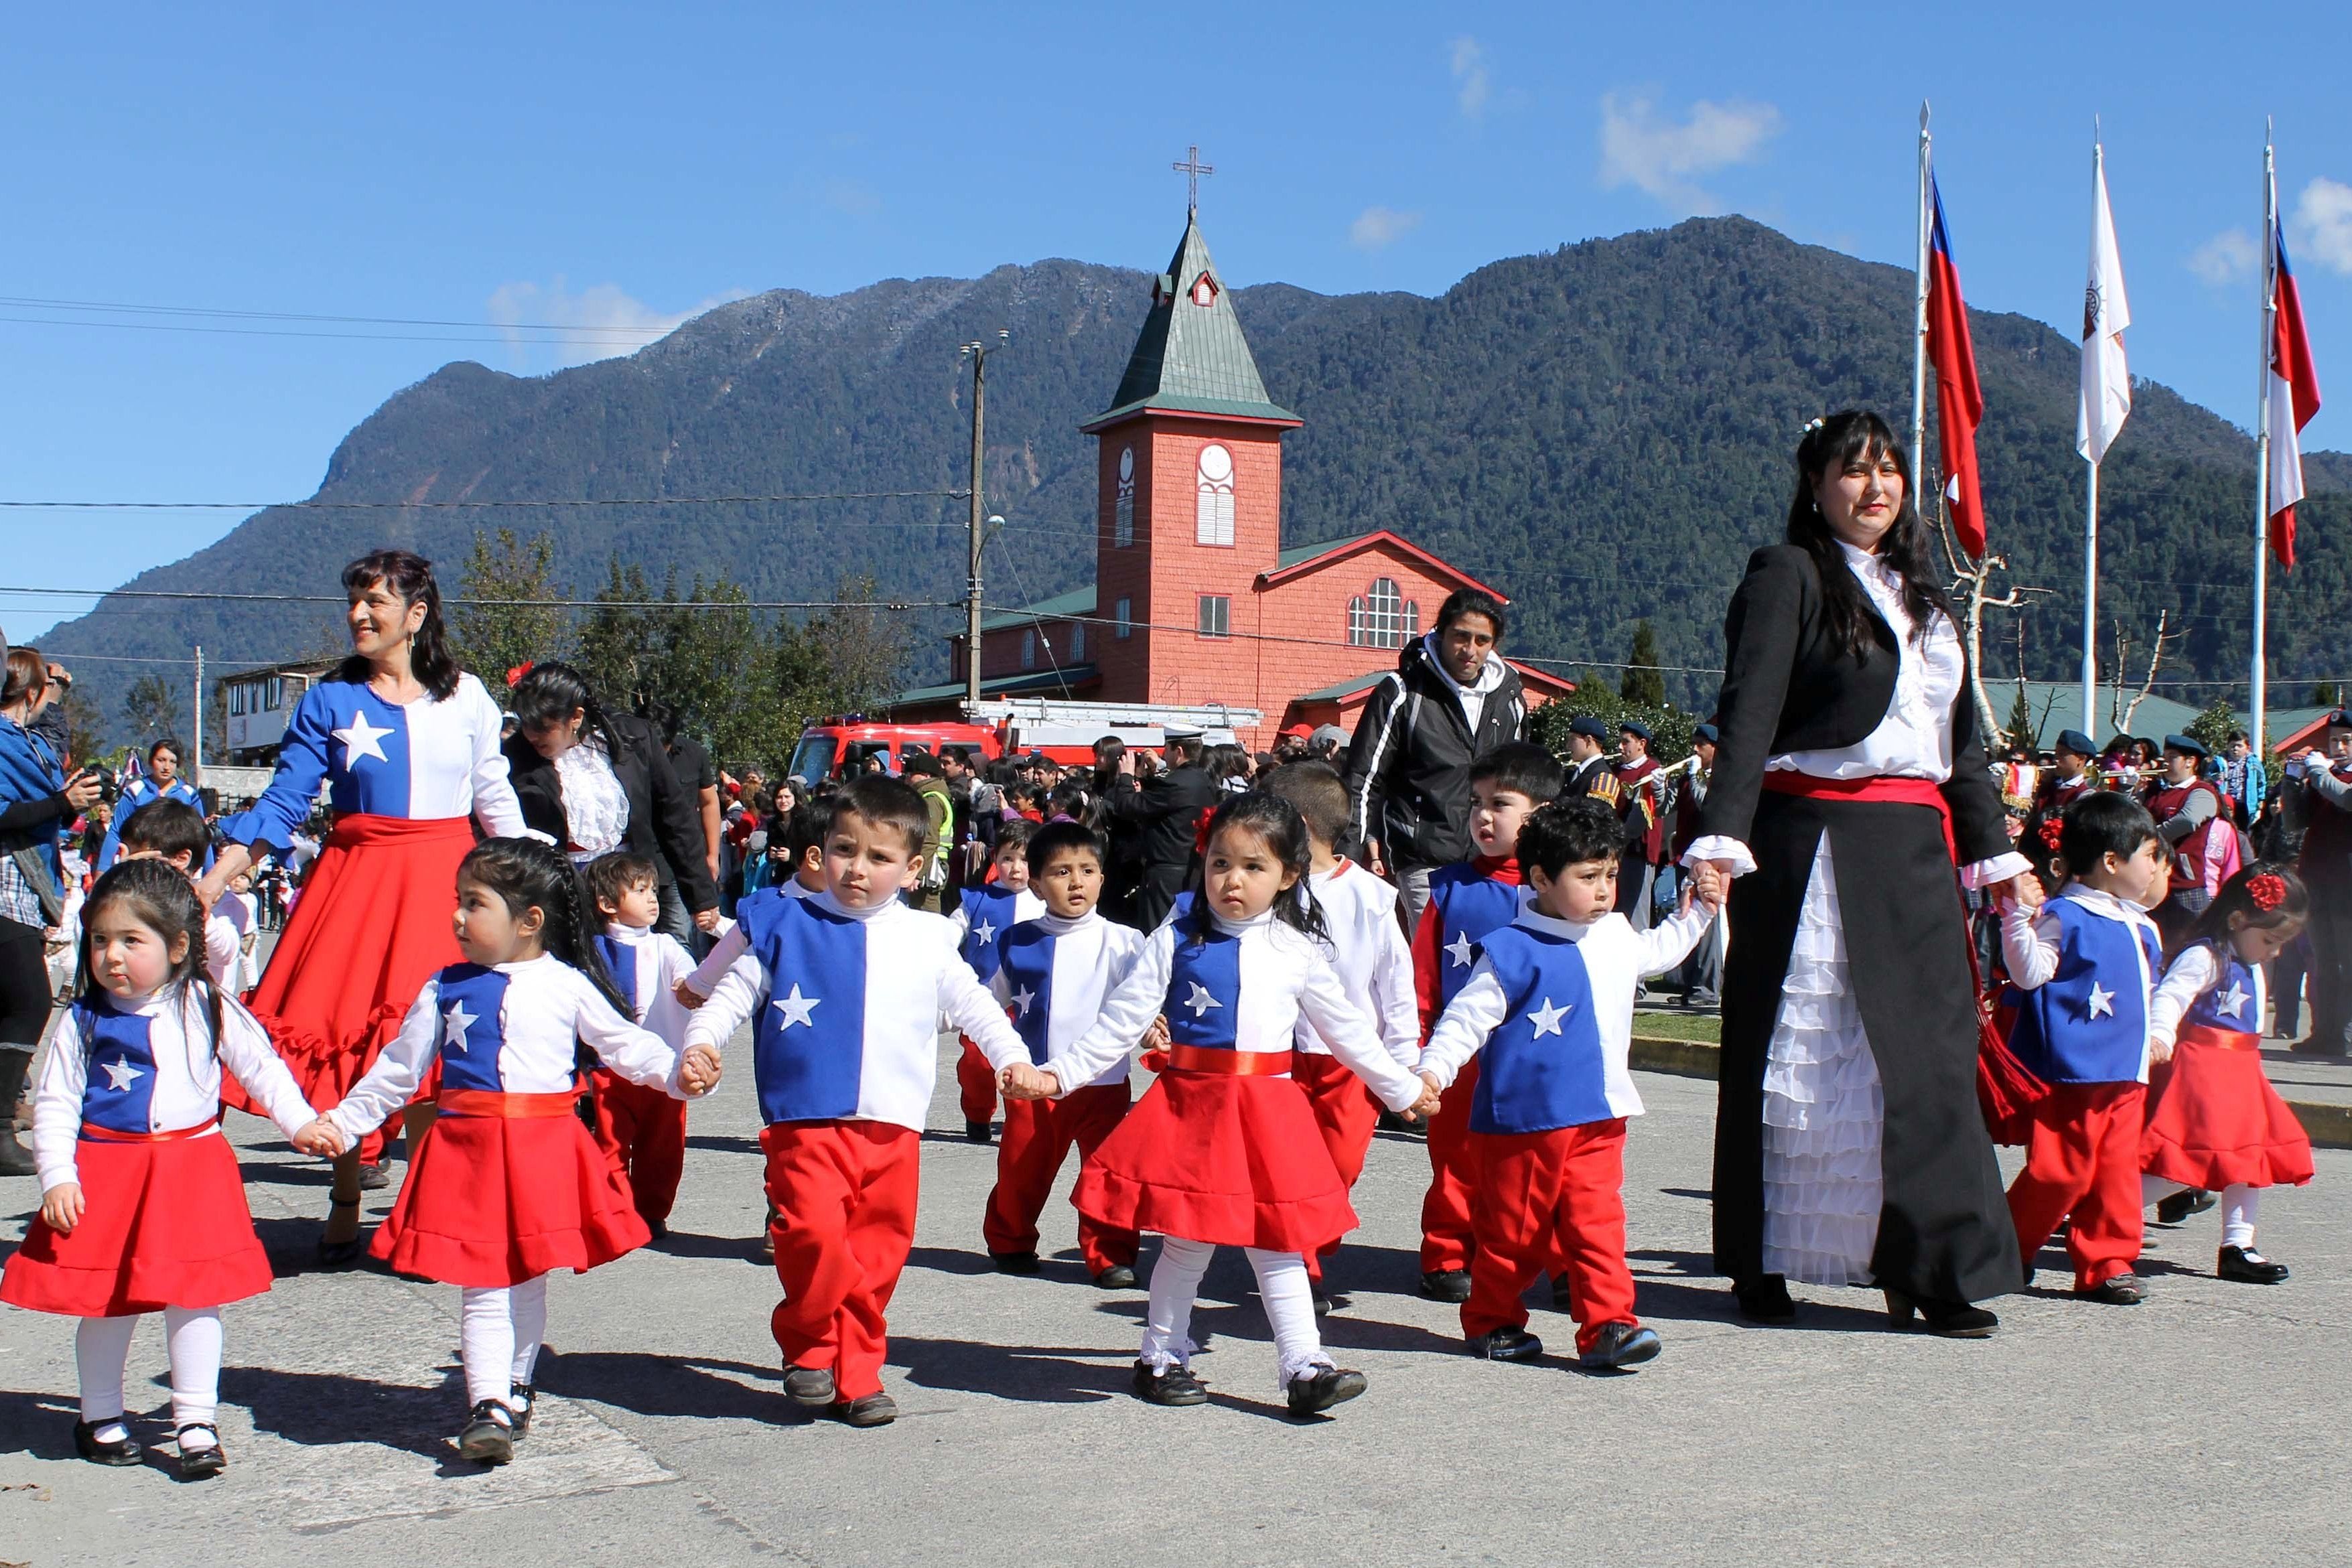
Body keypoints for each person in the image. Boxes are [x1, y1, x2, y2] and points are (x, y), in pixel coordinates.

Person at [1688, 411, 2032, 1336]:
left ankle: (1934, 1265)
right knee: (1795, 1056)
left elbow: (1956, 748)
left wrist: (1996, 858)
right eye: (1849, 471)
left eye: (1884, 470)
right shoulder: (1787, 574)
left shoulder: (1927, 599)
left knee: (1923, 1066)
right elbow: (1747, 710)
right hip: (1808, 841)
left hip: (1913, 852)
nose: (1870, 487)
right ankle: (1760, 1261)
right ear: (1814, 483)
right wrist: (1719, 840)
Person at [1002, 792, 1440, 1417]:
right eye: (1219, 863)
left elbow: (1348, 1031)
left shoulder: (1297, 949)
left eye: (1253, 867)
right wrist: (1055, 1077)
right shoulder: (1175, 938)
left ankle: (1304, 1364)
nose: (1232, 879)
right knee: (1187, 1243)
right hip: (1194, 1110)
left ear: (1289, 875)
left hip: (1267, 1112)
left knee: (1280, 1242)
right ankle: (1161, 1354)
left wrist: (1402, 1088)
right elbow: (1118, 1022)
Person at [289, 838, 717, 1465]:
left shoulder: (567, 985)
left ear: (529, 920)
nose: (458, 917)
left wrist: (681, 1072)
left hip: (545, 1149)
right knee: (485, 1282)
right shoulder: (444, 986)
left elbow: (627, 1046)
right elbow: (397, 1072)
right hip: (470, 1153)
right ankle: (488, 1402)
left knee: (527, 1276)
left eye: (474, 903)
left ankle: (517, 1385)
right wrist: (343, 1121)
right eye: (458, 903)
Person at [198, 550, 527, 1263]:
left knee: (441, 1046)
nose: (358, 615)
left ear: (416, 614)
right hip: (357, 885)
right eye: (353, 601)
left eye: (374, 601)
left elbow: (492, 794)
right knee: (350, 1043)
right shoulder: (328, 699)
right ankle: (347, 1192)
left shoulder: (467, 697)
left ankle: (428, 1211)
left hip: (445, 884)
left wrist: (539, 875)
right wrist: (218, 875)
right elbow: (286, 800)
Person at [682, 777, 1033, 1429]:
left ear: (911, 869)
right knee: (810, 1233)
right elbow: (730, 994)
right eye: (845, 849)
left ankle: (857, 1372)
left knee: (878, 1254)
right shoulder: (787, 924)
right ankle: (810, 1343)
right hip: (805, 1120)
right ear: (823, 850)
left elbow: (975, 1002)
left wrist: (1012, 1058)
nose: (857, 868)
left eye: (878, 857)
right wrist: (702, 1043)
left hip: (893, 1128)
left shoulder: (928, 937)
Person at [0, 861, 321, 1478]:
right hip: (107, 1171)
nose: (112, 956)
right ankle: (99, 1414)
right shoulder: (84, 1017)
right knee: (108, 1301)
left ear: (177, 947)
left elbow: (262, 1067)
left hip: (190, 1170)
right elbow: (58, 1101)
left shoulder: (206, 1004)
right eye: (99, 939)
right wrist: (58, 1175)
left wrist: (300, 1122)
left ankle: (196, 1418)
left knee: (196, 1299)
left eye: (130, 940)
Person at [1416, 797, 1722, 1370]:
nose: (1606, 889)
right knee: (1513, 1231)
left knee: (1597, 1223)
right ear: (1540, 878)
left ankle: (1608, 1324)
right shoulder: (1509, 949)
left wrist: (1700, 913)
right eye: (1588, 877)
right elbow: (1463, 1020)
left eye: (1609, 873)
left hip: (1599, 1115)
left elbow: (1658, 950)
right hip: (1523, 1125)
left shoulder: (1612, 934)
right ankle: (1493, 1319)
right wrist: (1431, 1071)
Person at [1996, 792, 2168, 1304]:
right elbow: (2029, 974)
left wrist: (2160, 1034)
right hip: (2071, 1071)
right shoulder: (2064, 914)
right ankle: (2007, 1246)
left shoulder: (2142, 924)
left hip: (2126, 1072)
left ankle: (2106, 1261)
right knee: (2059, 1170)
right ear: (2112, 861)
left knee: (2116, 1172)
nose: (2156, 868)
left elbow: (2149, 992)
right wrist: (2015, 917)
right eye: (2150, 855)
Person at [1265, 762, 1420, 1310]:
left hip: (1349, 1061)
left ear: (1299, 825)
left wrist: (1403, 1066)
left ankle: (1309, 1244)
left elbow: (1395, 985)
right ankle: (1298, 1265)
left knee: (1339, 1165)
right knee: (1286, 1163)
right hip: (1278, 1054)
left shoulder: (1371, 896)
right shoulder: (1269, 885)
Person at [1409, 741, 1557, 1302]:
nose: (1483, 816)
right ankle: (1446, 1253)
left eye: (1500, 803)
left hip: (1536, 1053)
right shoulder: (1449, 887)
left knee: (1543, 1161)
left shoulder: (1559, 891)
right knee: (1456, 1158)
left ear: (1539, 814)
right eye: (1476, 803)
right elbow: (1424, 974)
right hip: (1461, 1055)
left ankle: (1558, 1261)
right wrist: (1420, 1048)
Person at [981, 819, 1147, 1286]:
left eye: (1087, 870)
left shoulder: (1124, 941)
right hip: (1036, 1084)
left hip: (1104, 1084)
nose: (1076, 882)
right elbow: (991, 1003)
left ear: (1102, 877)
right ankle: (1010, 1238)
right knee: (1021, 1168)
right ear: (1034, 882)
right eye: (1060, 872)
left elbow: (1142, 1004)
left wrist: (1155, 1028)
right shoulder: (1017, 939)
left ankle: (1109, 1253)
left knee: (1108, 1172)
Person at [2140, 863, 2314, 1284]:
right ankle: (2106, 1206)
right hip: (2203, 1072)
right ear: (2237, 921)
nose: (2274, 952)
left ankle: (2239, 1244)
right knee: (2182, 1163)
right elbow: (2171, 994)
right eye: (2271, 940)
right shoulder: (2206, 955)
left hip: (2239, 1073)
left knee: (2249, 1157)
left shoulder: (2247, 958)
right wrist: (2161, 1033)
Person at [1342, 589, 1529, 931]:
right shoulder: (1402, 693)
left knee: (1485, 958)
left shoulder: (1510, 700)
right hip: (1422, 856)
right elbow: (1363, 779)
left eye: (1482, 640)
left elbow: (1519, 786)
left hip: (1491, 856)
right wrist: (1354, 852)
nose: (1470, 650)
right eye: (1461, 636)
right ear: (1441, 633)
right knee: (1437, 958)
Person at [504, 662, 719, 931]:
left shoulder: (633, 738)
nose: (532, 734)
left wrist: (702, 897)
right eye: (526, 725)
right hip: (559, 892)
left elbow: (675, 817)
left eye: (544, 726)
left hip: (628, 890)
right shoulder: (514, 758)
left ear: (576, 716)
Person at [0, 649, 104, 1177]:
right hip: (4, 883)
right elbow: (7, 811)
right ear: (28, 691)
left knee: (17, 1001)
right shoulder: (3, 739)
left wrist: (54, 693)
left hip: (22, 882)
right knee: (30, 1000)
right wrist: (64, 805)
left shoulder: (24, 742)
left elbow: (51, 751)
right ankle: (0, 1128)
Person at [583, 851, 699, 1238]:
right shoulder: (593, 950)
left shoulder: (664, 945)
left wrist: (689, 987)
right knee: (610, 1143)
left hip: (663, 1062)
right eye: (639, 890)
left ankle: (651, 1209)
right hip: (609, 1067)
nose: (652, 898)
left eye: (652, 889)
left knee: (663, 1144)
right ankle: (612, 1210)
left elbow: (686, 972)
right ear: (607, 904)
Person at [950, 820, 1043, 1143]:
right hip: (981, 1000)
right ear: (995, 858)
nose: (1016, 868)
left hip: (1028, 1002)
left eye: (1026, 860)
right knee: (976, 1065)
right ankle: (977, 1113)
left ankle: (1020, 1120)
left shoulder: (1046, 901)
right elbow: (951, 932)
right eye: (1007, 859)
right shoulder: (977, 899)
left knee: (1022, 1062)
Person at [109, 801, 240, 991]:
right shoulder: (131, 899)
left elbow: (225, 952)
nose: (131, 865)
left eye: (140, 858)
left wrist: (194, 909)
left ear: (180, 860)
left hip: (195, 1012)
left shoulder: (215, 902)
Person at [1103, 728, 1217, 930]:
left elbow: (1126, 806)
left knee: (1158, 931)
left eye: (1167, 749)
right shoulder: (1202, 779)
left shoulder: (1175, 784)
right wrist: (1152, 775)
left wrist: (1127, 777)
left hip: (1166, 873)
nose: (1164, 754)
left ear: (1178, 751)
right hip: (1192, 868)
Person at [2291, 712, 2352, 1056]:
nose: (2339, 747)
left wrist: (2317, 771)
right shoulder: (2327, 777)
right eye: (2333, 741)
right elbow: (2295, 822)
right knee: (2322, 962)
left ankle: (2346, 1034)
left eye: (2346, 740)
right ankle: (2323, 1033)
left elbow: (2346, 799)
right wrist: (2293, 782)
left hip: (2347, 884)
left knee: (2348, 963)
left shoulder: (2333, 779)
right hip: (2317, 880)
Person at [644, 702, 721, 948]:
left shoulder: (694, 754)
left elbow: (709, 802)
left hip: (681, 863)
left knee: (680, 939)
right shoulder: (626, 757)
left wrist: (712, 854)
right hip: (641, 861)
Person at [2147, 735, 2233, 945]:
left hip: (2185, 885)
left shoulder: (2202, 792)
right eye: (2164, 757)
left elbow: (2188, 820)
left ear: (2190, 762)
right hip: (2153, 881)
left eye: (2172, 757)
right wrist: (2130, 788)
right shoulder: (2157, 792)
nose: (2165, 763)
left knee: (2190, 944)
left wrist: (2147, 840)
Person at [1669, 722, 1724, 1009]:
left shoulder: (1720, 779)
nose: (1695, 749)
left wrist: (1696, 777)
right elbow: (1670, 808)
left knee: (1706, 922)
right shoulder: (1689, 779)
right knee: (1686, 915)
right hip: (1684, 856)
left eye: (1701, 744)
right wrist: (1658, 789)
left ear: (1715, 748)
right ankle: (1690, 985)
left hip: (1707, 859)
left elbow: (1708, 806)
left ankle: (1707, 987)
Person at [94, 740, 206, 875]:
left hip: (177, 868)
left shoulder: (189, 794)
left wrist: (210, 873)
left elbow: (203, 836)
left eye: (172, 762)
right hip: (141, 867)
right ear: (151, 761)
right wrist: (102, 870)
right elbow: (115, 832)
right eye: (161, 760)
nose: (166, 767)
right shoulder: (135, 791)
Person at [1612, 721, 1665, 932]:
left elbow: (1643, 814)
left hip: (1637, 852)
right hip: (1616, 850)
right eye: (1620, 741)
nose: (1620, 747)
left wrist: (1618, 838)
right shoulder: (1616, 771)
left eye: (1626, 742)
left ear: (1642, 744)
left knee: (1635, 917)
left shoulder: (1651, 771)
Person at [902, 751, 955, 913]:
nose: (908, 778)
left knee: (927, 915)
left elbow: (929, 840)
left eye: (911, 774)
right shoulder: (930, 796)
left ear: (925, 775)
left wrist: (917, 875)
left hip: (929, 868)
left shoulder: (931, 800)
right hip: (927, 865)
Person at [1559, 716, 1616, 800]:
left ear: (1589, 740)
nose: (1568, 746)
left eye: (1573, 740)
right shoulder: (1575, 772)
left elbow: (1597, 811)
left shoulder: (1602, 776)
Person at [2220, 731, 2266, 831]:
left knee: (2243, 829)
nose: (2235, 749)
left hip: (2245, 802)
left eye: (2239, 746)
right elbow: (2210, 778)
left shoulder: (2253, 762)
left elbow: (2261, 782)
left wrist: (2261, 799)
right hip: (2226, 803)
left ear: (2247, 748)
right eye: (2232, 746)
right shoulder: (2220, 762)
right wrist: (2217, 778)